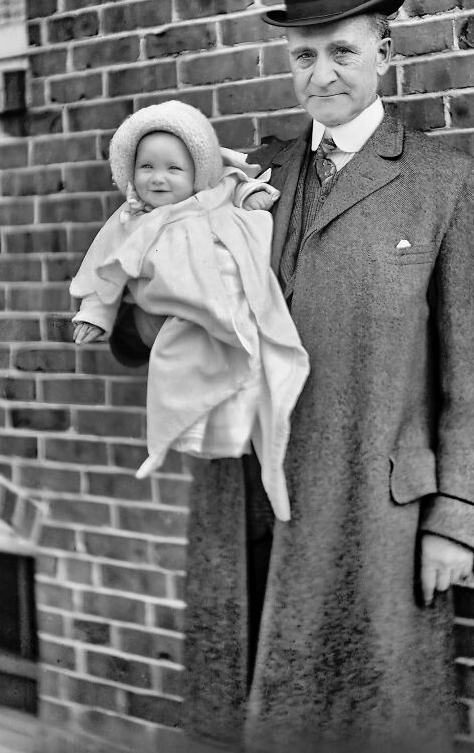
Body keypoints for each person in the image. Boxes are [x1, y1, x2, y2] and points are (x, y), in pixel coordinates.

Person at [110, 0, 474, 753]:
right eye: (303, 55)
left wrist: (458, 520)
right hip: (246, 502)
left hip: (373, 515)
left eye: (342, 51)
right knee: (252, 733)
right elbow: (161, 324)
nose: (321, 74)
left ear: (383, 53)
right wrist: (146, 264)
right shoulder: (248, 177)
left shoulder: (445, 184)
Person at [70, 100, 309, 521]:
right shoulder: (129, 220)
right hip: (184, 317)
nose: (158, 178)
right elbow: (105, 268)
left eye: (173, 169)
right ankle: (195, 436)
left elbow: (238, 182)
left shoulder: (213, 196)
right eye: (146, 167)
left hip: (234, 305)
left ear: (197, 172)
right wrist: (95, 313)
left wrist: (252, 195)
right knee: (184, 372)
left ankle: (255, 444)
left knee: (250, 373)